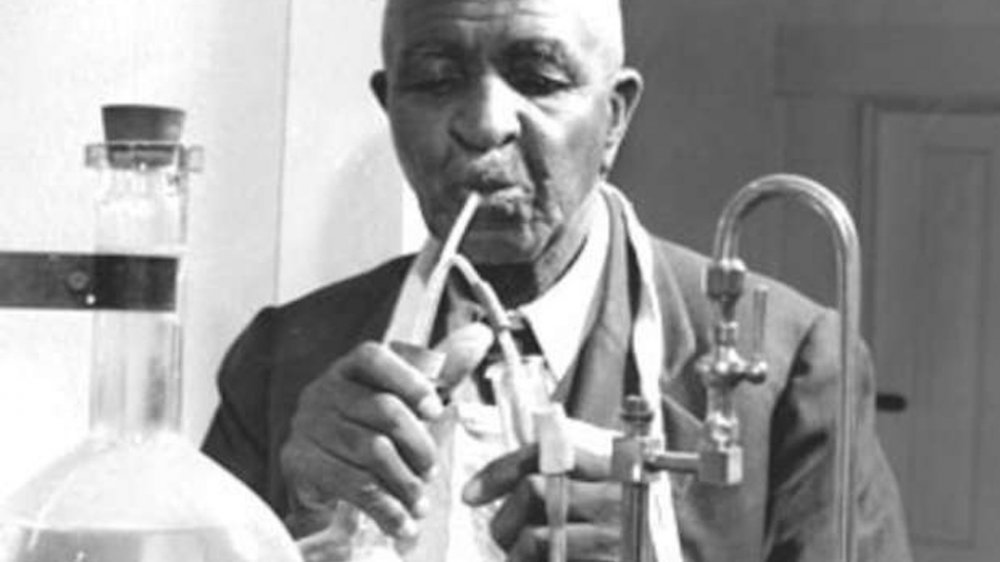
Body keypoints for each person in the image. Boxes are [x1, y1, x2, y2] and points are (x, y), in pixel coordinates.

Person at [202, 0, 912, 560]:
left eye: (539, 79)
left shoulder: (792, 372)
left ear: (614, 118)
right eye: (437, 79)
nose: (483, 125)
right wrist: (300, 532)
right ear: (390, 107)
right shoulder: (277, 365)